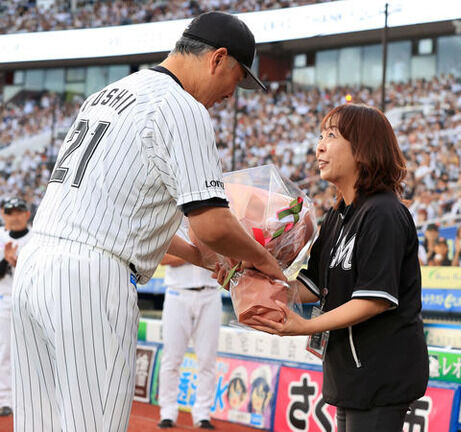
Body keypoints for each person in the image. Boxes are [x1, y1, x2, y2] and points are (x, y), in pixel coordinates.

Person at [11, 11, 284, 432]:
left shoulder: (109, 93)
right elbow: (212, 224)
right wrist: (266, 261)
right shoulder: (183, 107)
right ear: (217, 59)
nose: (233, 92)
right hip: (91, 280)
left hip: (36, 269)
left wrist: (199, 257)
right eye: (237, 77)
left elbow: (122, 213)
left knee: (40, 425)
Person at [247, 104, 429, 432]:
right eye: (321, 135)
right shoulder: (337, 216)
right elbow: (310, 286)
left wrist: (303, 326)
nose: (319, 146)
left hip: (380, 374)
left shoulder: (383, 212)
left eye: (332, 136)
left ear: (363, 148)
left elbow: (375, 299)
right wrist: (244, 277)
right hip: (348, 373)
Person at [158, 231, 222, 429]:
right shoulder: (173, 224)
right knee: (172, 357)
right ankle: (167, 412)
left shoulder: (214, 222)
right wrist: (196, 255)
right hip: (178, 292)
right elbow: (163, 258)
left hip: (210, 293)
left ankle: (203, 414)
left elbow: (220, 257)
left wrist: (195, 255)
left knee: (208, 359)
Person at [0, 198, 31, 417]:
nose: (15, 216)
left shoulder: (37, 236)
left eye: (19, 211)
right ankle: (5, 399)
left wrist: (16, 262)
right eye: (11, 212)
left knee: (32, 351)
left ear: (27, 214)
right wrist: (6, 261)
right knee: (5, 353)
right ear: (4, 215)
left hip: (32, 299)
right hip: (6, 299)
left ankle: (30, 397)